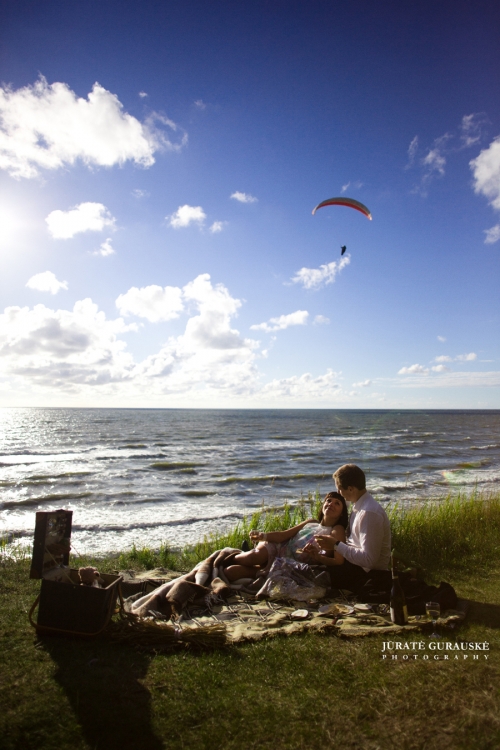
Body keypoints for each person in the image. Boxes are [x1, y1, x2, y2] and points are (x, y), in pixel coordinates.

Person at [224, 492, 349, 583]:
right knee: (253, 557)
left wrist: (317, 556)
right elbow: (284, 535)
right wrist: (263, 536)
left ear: (342, 513)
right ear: (323, 505)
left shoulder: (336, 530)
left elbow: (339, 561)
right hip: (279, 547)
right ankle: (227, 559)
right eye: (328, 500)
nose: (331, 504)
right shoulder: (311, 522)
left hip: (288, 565)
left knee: (230, 572)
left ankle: (256, 564)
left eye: (337, 503)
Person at [305, 464, 391, 593]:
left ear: (351, 489)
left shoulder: (369, 513)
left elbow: (369, 561)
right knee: (306, 567)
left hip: (364, 573)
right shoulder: (358, 506)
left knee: (301, 574)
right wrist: (322, 553)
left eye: (340, 489)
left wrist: (336, 545)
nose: (339, 493)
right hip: (352, 566)